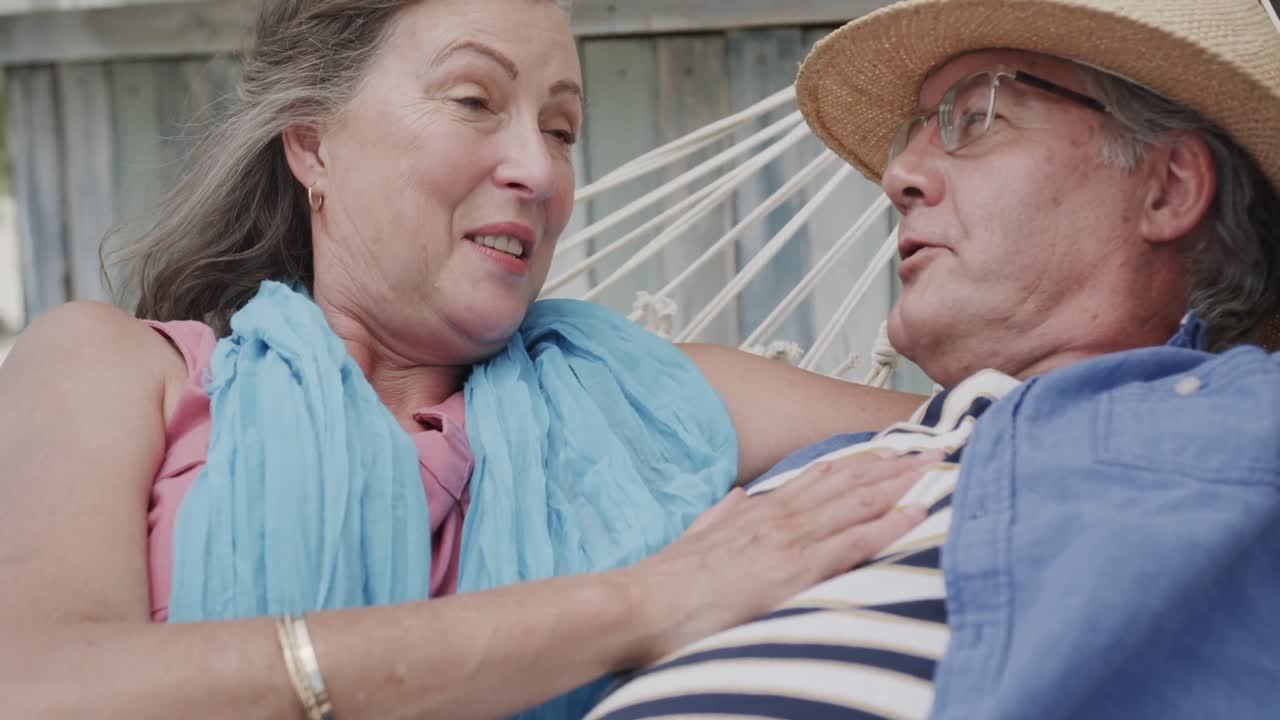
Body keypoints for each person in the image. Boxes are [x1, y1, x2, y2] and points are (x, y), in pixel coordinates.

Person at [0, 1, 935, 718]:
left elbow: (1013, 429)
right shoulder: (116, 373)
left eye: (562, 129)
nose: (539, 169)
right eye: (474, 101)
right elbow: (40, 687)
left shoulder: (659, 396)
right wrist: (638, 607)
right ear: (313, 144)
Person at [585, 0, 1280, 718]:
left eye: (977, 118)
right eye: (911, 135)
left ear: (1167, 189)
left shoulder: (1249, 420)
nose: (900, 178)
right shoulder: (825, 471)